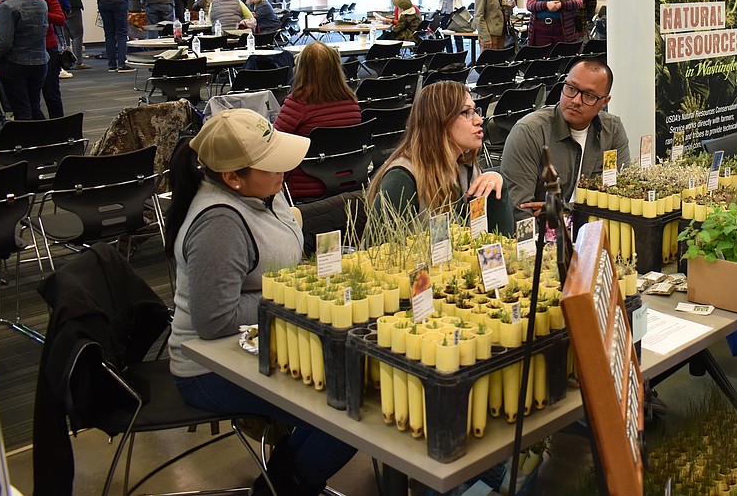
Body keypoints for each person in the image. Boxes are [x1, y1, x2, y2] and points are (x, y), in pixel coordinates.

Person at [166, 109, 357, 495]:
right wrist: (295, 294)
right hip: (210, 368)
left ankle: (282, 477)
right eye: (271, 166)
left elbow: (284, 248)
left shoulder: (264, 192)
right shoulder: (219, 223)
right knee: (353, 411)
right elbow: (214, 321)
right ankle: (290, 485)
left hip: (264, 342)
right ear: (232, 177)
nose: (283, 172)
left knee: (348, 390)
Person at [365, 81, 513, 234]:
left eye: (475, 111)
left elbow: (502, 243)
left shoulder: (466, 168)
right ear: (439, 121)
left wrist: (498, 185)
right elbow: (372, 250)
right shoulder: (402, 178)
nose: (479, 120)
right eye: (466, 113)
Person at [501, 59, 629, 219]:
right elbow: (520, 210)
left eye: (588, 96)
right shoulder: (529, 131)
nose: (575, 101)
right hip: (544, 237)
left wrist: (562, 208)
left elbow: (619, 195)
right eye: (571, 88)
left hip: (593, 230)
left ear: (604, 101)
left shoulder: (612, 130)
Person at [273, 41, 361, 200]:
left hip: (307, 185)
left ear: (301, 69)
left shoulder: (298, 102)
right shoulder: (352, 101)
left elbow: (274, 141)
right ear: (335, 68)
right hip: (349, 179)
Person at [0, 0, 49, 119]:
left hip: (15, 64)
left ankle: (26, 142)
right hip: (40, 62)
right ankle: (42, 140)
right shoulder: (42, 4)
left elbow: (5, 42)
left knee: (21, 109)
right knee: (34, 106)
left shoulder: (7, 7)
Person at [26, 0, 67, 119]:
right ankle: (40, 133)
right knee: (31, 99)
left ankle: (60, 132)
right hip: (25, 52)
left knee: (51, 94)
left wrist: (40, 11)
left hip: (48, 48)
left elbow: (60, 19)